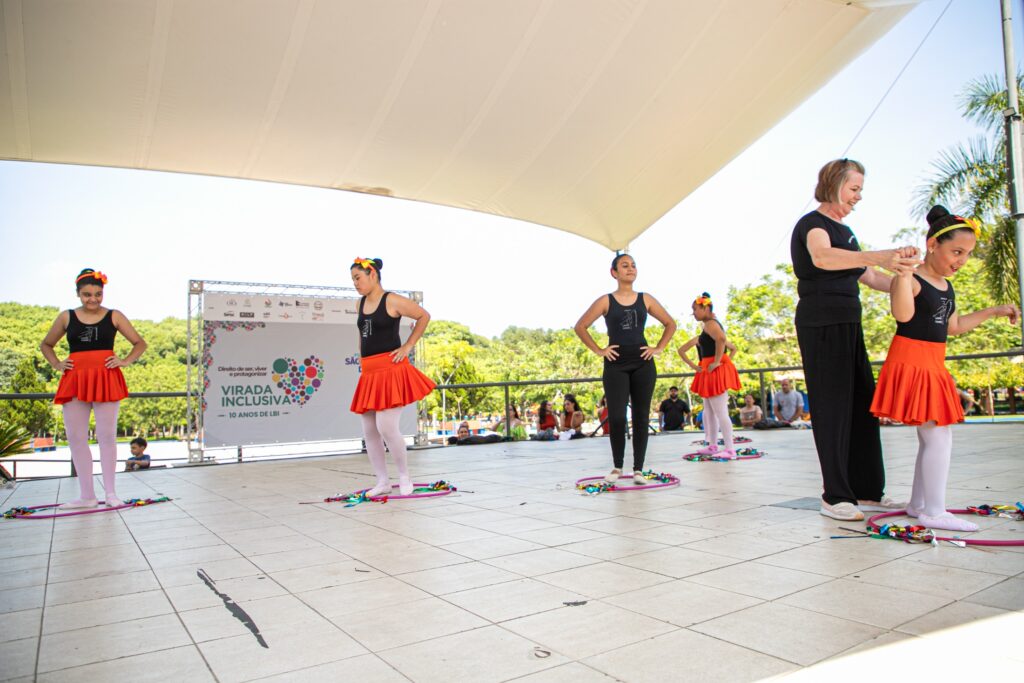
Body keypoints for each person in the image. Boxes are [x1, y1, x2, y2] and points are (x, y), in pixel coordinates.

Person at [870, 206, 1020, 531]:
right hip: (913, 362)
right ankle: (934, 511)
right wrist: (904, 275)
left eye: (967, 254)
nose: (962, 260)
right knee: (939, 436)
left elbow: (953, 326)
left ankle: (918, 504)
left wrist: (993, 311)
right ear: (932, 245)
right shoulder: (912, 279)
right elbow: (903, 315)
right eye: (956, 251)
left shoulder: (946, 286)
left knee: (932, 437)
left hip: (932, 363)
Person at [791, 159, 922, 521]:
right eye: (854, 189)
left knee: (863, 404)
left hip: (850, 322)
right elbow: (822, 257)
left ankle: (866, 491)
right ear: (834, 184)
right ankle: (835, 496)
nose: (858, 197)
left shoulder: (846, 233)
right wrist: (879, 256)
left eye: (860, 190)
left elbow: (873, 278)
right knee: (832, 407)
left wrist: (910, 278)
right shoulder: (813, 224)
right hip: (821, 323)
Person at [40, 269, 147, 509]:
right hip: (75, 379)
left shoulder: (114, 315)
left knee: (107, 436)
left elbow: (140, 343)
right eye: (87, 294)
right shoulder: (66, 317)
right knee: (76, 438)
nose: (93, 299)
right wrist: (56, 363)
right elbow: (46, 344)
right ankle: (87, 496)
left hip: (106, 378)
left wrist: (124, 361)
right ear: (78, 294)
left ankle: (111, 494)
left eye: (98, 294)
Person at [574, 254, 677, 483]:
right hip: (616, 364)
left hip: (643, 363)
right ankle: (617, 467)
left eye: (633, 265)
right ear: (614, 272)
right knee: (618, 416)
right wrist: (599, 350)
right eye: (624, 265)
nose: (630, 269)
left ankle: (638, 469)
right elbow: (580, 326)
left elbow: (670, 323)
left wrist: (658, 348)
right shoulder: (606, 300)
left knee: (641, 416)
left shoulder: (645, 298)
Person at [349, 257, 435, 496]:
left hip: (391, 369)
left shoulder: (392, 300)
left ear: (373, 275)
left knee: (386, 427)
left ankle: (405, 476)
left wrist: (408, 345)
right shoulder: (359, 303)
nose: (355, 283)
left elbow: (423, 316)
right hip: (370, 371)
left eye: (358, 278)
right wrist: (362, 358)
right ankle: (383, 481)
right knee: (369, 430)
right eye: (353, 279)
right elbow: (363, 335)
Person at [678, 293, 741, 458]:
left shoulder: (711, 324)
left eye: (695, 309)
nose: (693, 313)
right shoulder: (708, 325)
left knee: (720, 411)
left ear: (705, 308)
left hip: (713, 369)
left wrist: (718, 361)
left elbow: (721, 339)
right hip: (708, 368)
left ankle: (730, 449)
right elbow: (724, 343)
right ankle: (713, 445)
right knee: (709, 411)